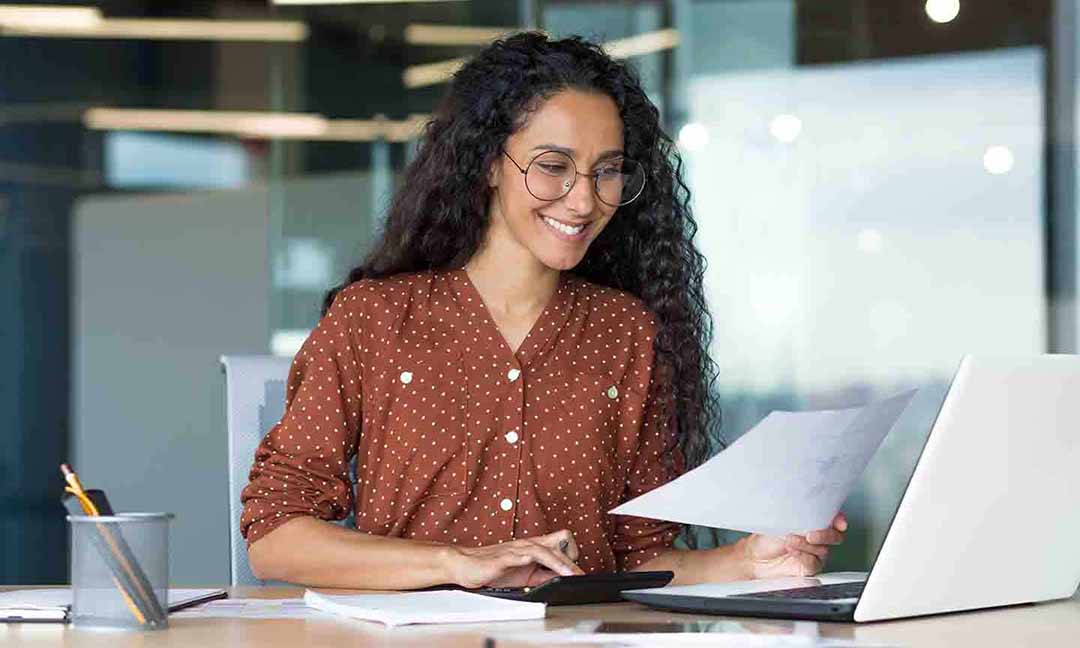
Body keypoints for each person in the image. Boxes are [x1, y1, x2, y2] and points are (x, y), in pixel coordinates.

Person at [240, 32, 846, 590]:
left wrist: (746, 562)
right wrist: (455, 562)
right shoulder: (373, 318)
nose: (583, 200)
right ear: (487, 163)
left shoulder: (627, 332)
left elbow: (639, 560)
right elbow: (276, 537)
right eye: (553, 167)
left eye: (606, 171)